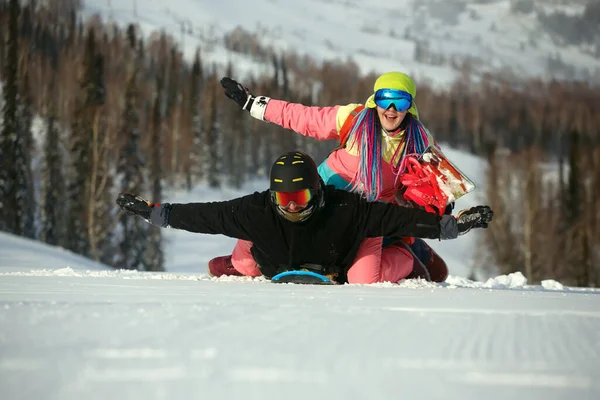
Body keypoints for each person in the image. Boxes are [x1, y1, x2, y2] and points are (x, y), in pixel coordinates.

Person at [218, 72, 461, 282]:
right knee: (273, 219)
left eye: (400, 100)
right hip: (325, 198)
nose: (391, 109)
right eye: (384, 99)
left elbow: (439, 185)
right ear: (375, 100)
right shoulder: (354, 120)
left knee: (361, 279)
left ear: (410, 104)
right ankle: (239, 262)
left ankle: (404, 252)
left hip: (370, 216)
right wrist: (252, 103)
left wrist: (443, 206)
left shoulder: (420, 141)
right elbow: (304, 117)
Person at [117, 151, 493, 284]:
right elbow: (207, 215)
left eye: (300, 197)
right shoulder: (259, 210)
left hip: (341, 256)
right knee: (246, 262)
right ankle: (236, 263)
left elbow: (398, 220)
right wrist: (156, 213)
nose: (292, 206)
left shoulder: (345, 209)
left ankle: (409, 260)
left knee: (363, 278)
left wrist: (452, 225)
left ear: (317, 191)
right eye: (284, 198)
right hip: (280, 260)